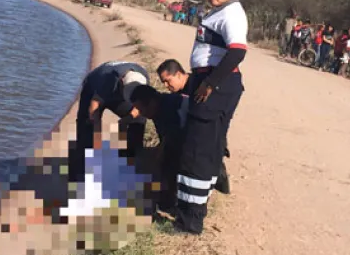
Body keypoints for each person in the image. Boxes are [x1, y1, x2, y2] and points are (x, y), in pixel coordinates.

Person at [175, 0, 247, 234]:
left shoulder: (232, 14)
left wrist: (209, 84)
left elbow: (237, 52)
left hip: (216, 84)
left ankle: (189, 223)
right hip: (208, 81)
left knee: (197, 151)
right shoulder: (219, 11)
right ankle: (211, 184)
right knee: (207, 145)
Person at [156, 58, 231, 195]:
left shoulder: (197, 87)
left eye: (168, 80)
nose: (166, 85)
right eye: (163, 82)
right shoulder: (178, 92)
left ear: (179, 74)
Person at [69, 61, 149, 182]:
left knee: (139, 120)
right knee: (86, 130)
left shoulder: (143, 77)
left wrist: (126, 120)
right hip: (93, 88)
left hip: (119, 94)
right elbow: (94, 105)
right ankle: (81, 173)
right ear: (122, 82)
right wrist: (95, 131)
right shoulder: (107, 79)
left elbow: (141, 107)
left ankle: (130, 162)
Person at [130, 84, 188, 213]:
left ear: (151, 102)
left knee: (167, 161)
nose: (141, 114)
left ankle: (169, 203)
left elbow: (172, 141)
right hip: (182, 138)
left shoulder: (170, 108)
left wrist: (157, 159)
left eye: (141, 109)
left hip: (199, 140)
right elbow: (165, 138)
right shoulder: (158, 108)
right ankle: (164, 199)